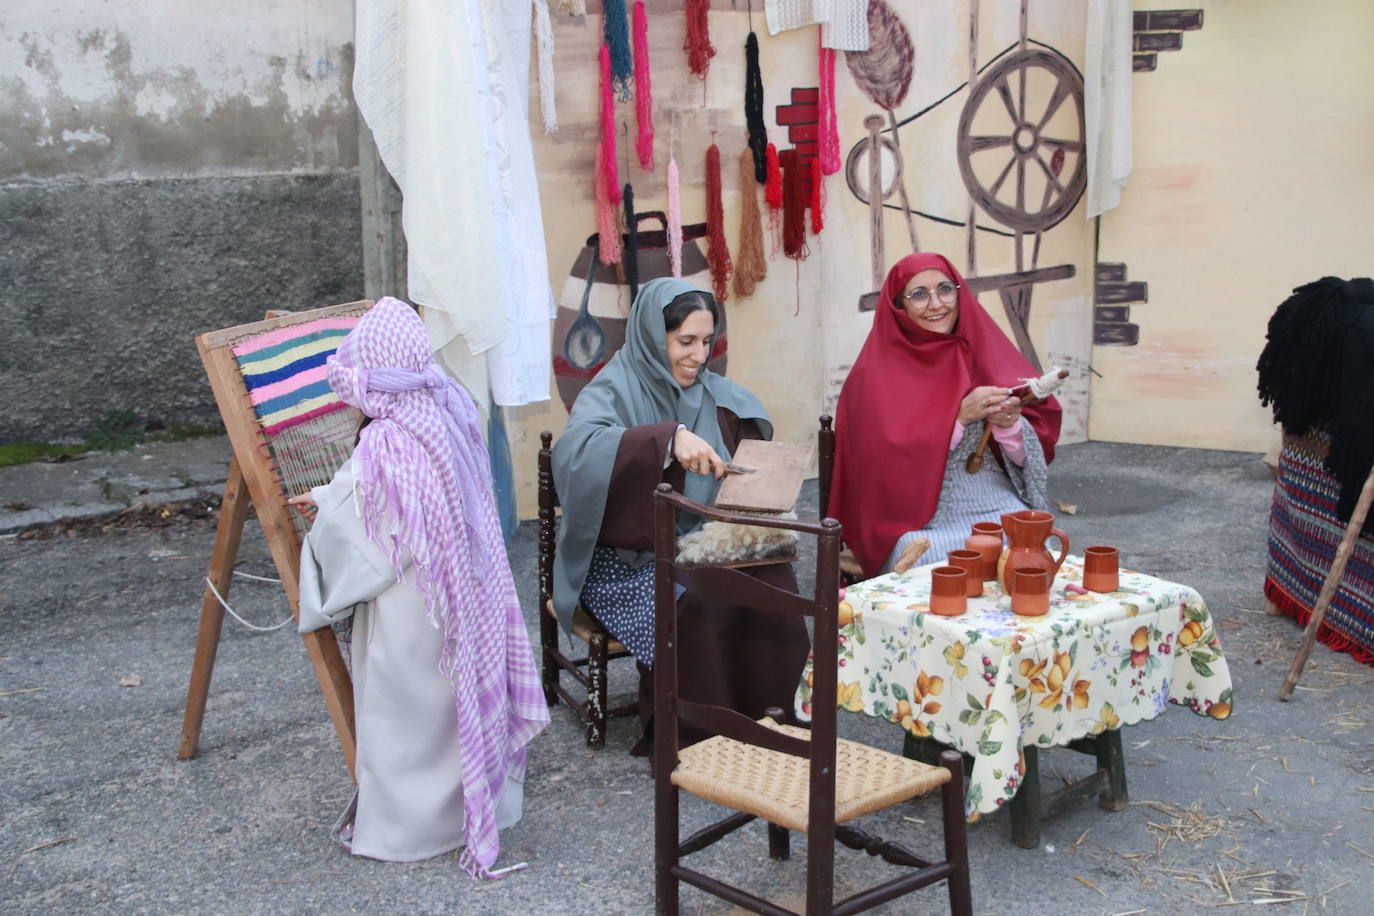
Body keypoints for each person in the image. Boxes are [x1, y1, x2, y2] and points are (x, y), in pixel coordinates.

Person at [290, 297, 548, 876]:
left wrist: (321, 512)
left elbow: (362, 530)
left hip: (414, 606)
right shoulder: (448, 412)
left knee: (405, 718)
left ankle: (407, 830)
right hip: (466, 600)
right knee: (456, 710)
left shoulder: (385, 441)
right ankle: (483, 806)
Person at [552, 277, 811, 748]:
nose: (699, 355)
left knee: (770, 577)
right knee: (698, 597)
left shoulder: (717, 396)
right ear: (654, 336)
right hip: (622, 563)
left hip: (700, 545)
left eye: (707, 341)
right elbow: (578, 450)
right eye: (685, 341)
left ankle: (770, 717)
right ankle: (696, 732)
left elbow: (746, 467)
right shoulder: (608, 390)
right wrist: (665, 438)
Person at [829, 252, 1062, 578]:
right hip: (913, 518)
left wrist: (1008, 426)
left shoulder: (983, 349)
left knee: (1029, 547)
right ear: (899, 306)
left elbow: (1031, 456)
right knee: (929, 561)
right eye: (919, 295)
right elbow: (878, 469)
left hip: (994, 501)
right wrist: (960, 419)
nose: (936, 304)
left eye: (945, 289)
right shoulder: (872, 374)